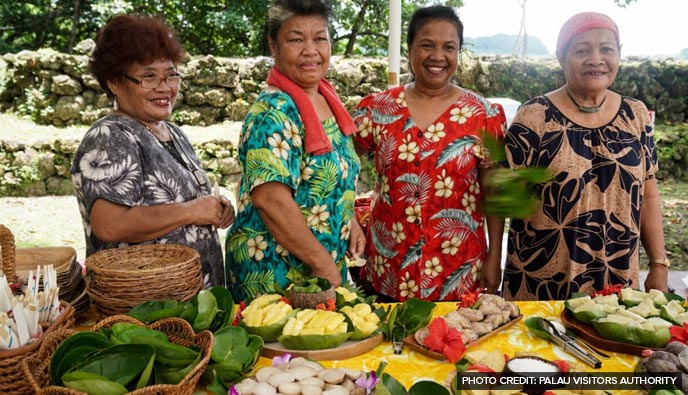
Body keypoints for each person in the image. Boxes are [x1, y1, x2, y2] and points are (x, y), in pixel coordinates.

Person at [502, 12, 669, 300]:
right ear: (561, 57)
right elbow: (503, 197)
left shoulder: (636, 114)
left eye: (606, 49)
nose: (596, 59)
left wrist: (659, 263)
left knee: (609, 343)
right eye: (581, 50)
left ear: (619, 54)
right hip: (543, 279)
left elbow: (648, 195)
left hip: (616, 277)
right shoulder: (533, 116)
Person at [352, 5, 507, 302]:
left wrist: (494, 256)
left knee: (450, 346)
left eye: (449, 47)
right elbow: (344, 166)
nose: (438, 56)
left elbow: (495, 190)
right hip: (389, 268)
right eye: (427, 45)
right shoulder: (378, 109)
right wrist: (349, 217)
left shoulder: (483, 114)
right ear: (410, 48)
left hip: (458, 271)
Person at [71, 14, 234, 287]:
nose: (164, 88)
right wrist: (193, 210)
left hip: (189, 304)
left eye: (171, 76)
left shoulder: (171, 132)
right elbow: (110, 225)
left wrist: (216, 209)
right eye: (148, 77)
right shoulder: (111, 136)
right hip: (145, 309)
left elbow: (178, 203)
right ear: (114, 82)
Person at [225, 0, 365, 301]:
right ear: (273, 46)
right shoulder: (273, 112)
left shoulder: (326, 99)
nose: (310, 50)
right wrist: (322, 263)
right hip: (275, 274)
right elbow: (271, 200)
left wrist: (349, 220)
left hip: (319, 269)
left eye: (320, 38)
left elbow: (328, 175)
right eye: (296, 39)